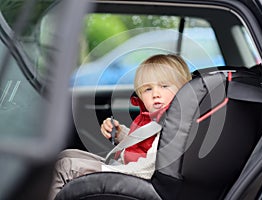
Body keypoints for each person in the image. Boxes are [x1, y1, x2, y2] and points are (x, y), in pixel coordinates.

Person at [48, 54, 192, 200]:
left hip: (135, 178)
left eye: (164, 86)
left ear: (183, 90)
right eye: (148, 89)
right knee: (65, 156)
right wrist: (121, 134)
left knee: (64, 167)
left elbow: (148, 168)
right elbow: (148, 143)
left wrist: (107, 171)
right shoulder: (161, 118)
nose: (155, 94)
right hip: (128, 168)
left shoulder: (174, 124)